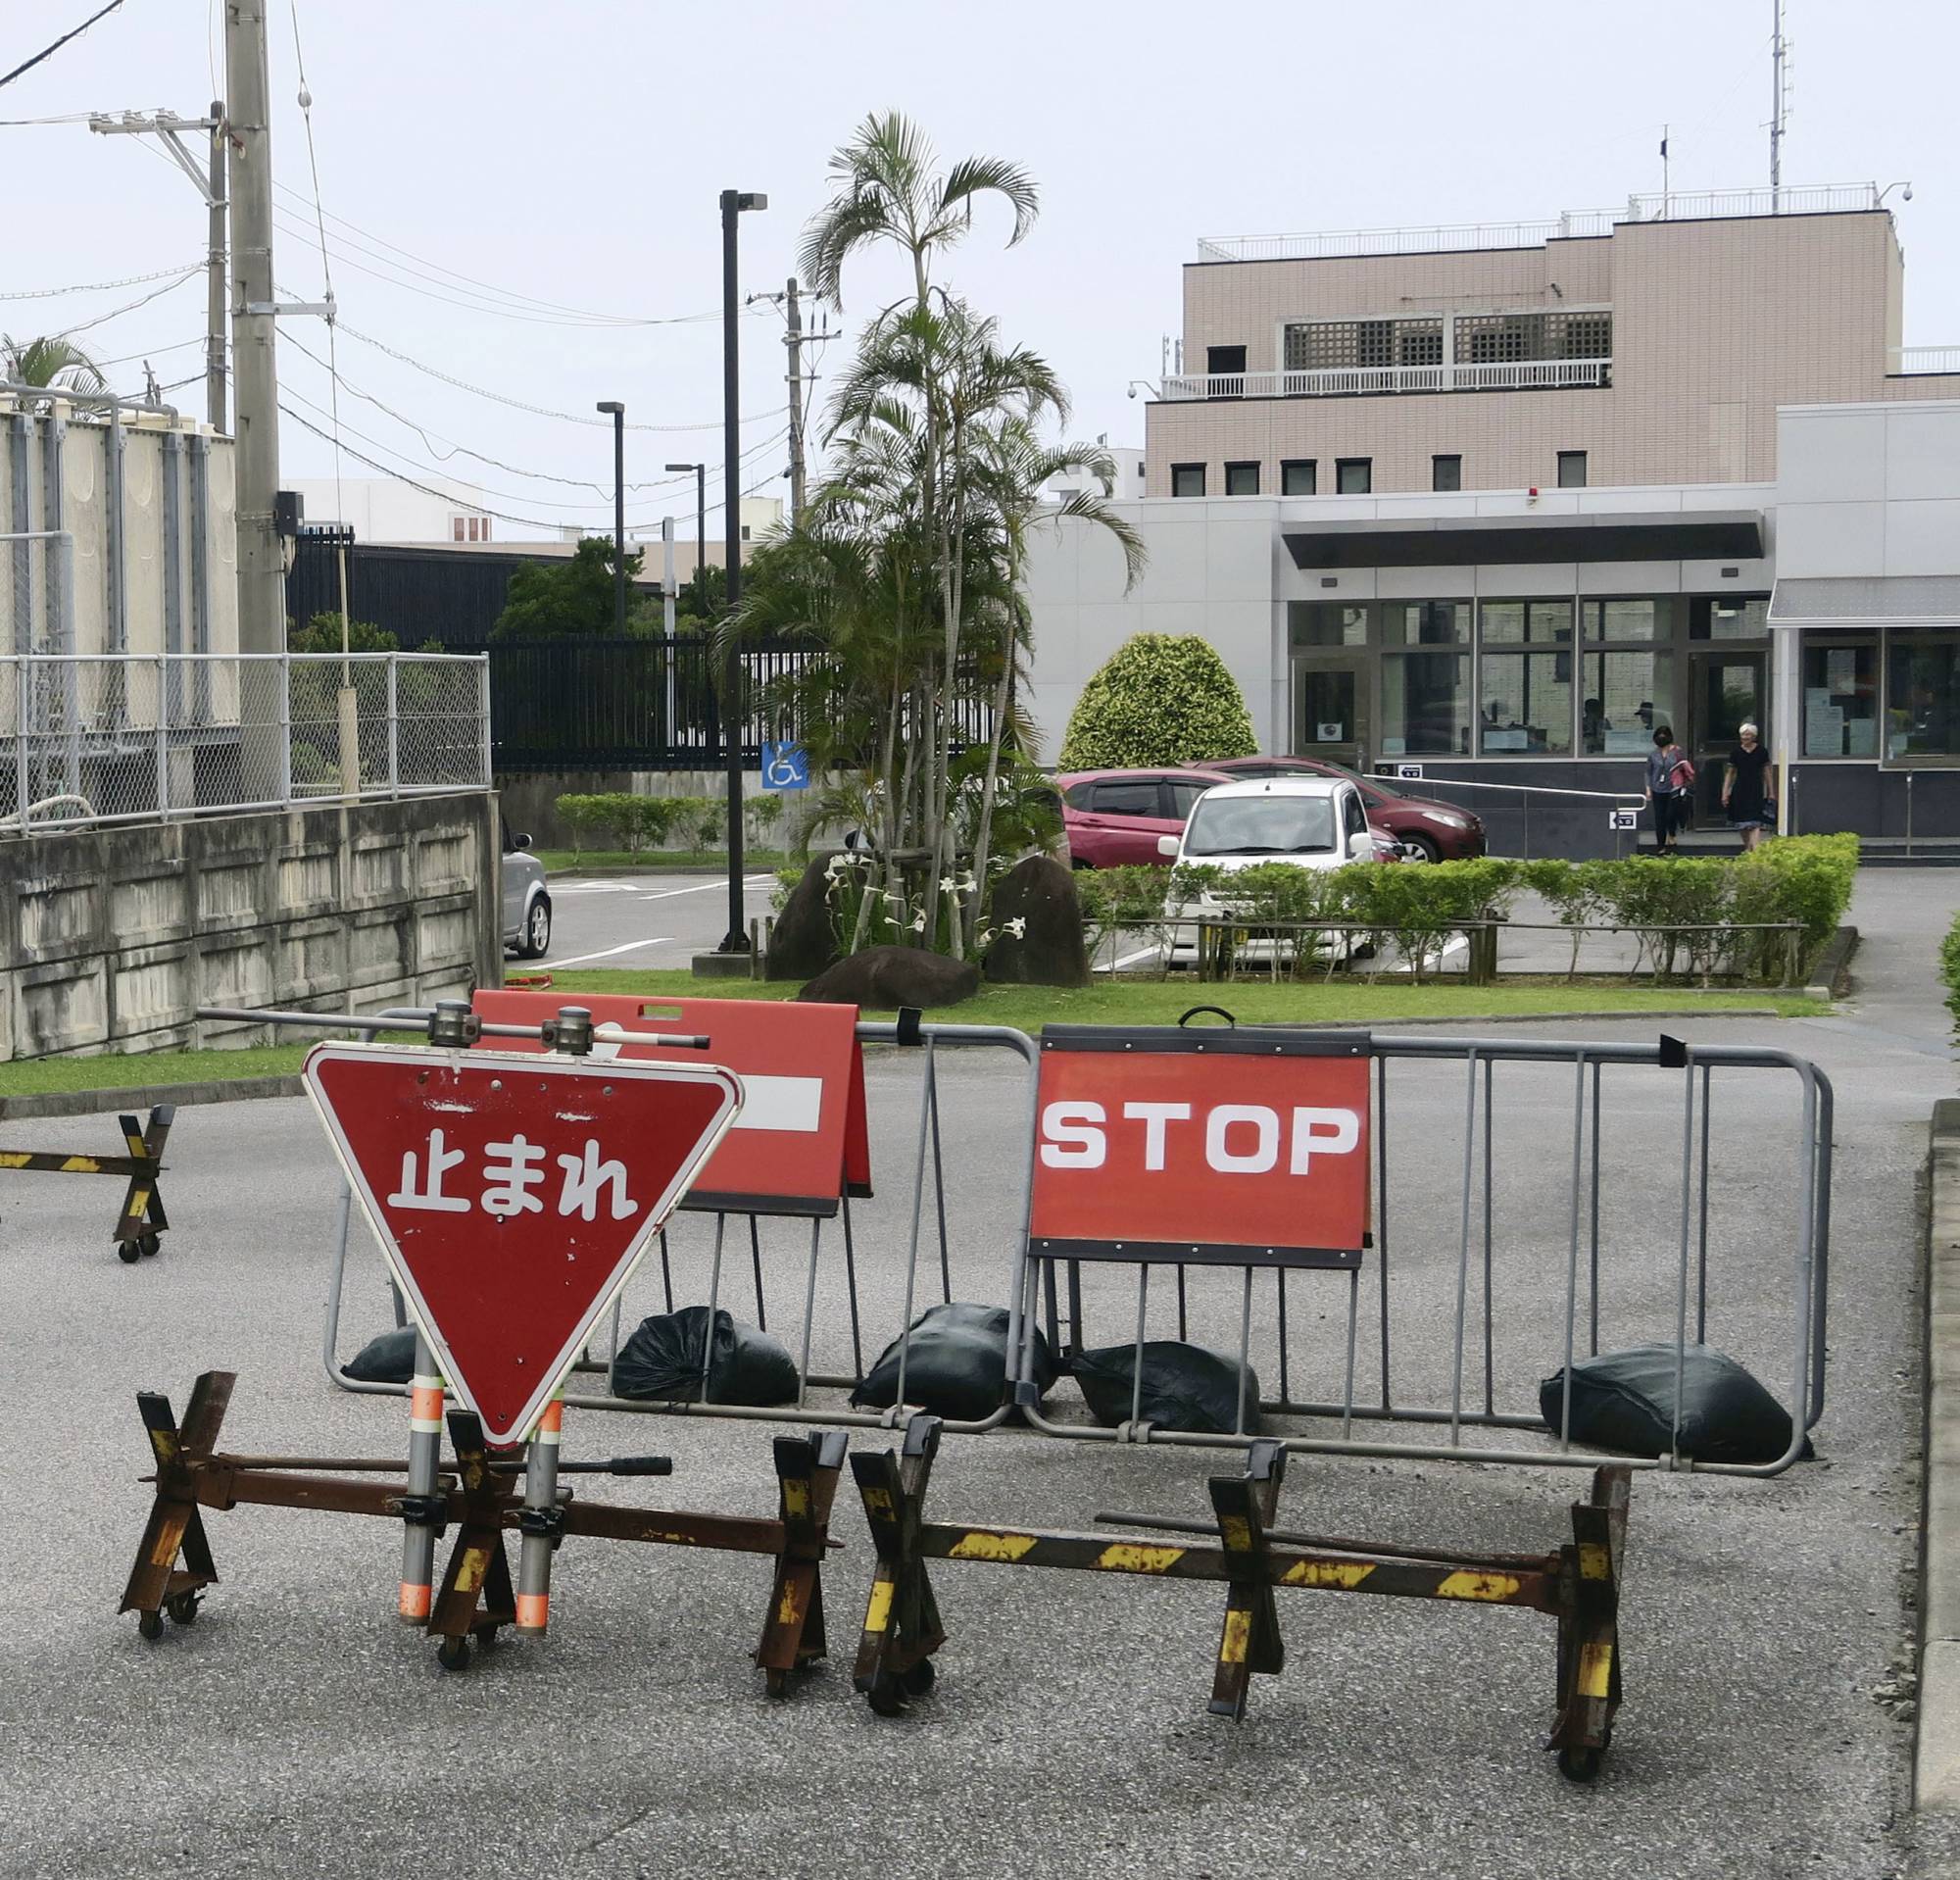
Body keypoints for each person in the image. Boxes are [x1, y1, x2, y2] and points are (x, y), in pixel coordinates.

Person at [1722, 720, 1774, 852]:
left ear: (1754, 736)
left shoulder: (1762, 751)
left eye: (1748, 735)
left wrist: (1771, 792)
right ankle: (1747, 846)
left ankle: (1755, 849)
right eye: (1743, 735)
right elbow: (1730, 773)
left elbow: (1767, 772)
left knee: (1755, 821)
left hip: (1755, 789)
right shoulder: (1736, 752)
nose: (1745, 737)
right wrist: (1725, 792)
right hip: (1740, 789)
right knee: (1742, 823)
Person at [1644, 723, 1690, 856]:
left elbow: (1684, 767)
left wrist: (1684, 784)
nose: (1661, 738)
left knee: (1670, 815)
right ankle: (1660, 845)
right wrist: (1648, 789)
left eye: (1664, 736)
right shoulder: (1653, 755)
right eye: (1658, 736)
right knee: (1659, 818)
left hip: (1673, 788)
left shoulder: (1677, 752)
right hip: (1657, 789)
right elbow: (1648, 772)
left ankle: (1672, 833)